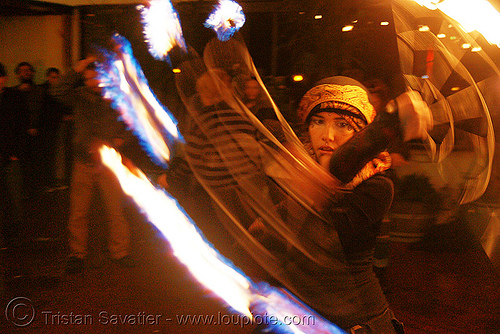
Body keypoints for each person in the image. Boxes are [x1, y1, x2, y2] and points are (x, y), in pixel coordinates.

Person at [51, 57, 134, 274]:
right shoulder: (79, 97)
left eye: (94, 77)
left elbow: (131, 121)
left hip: (109, 164)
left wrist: (121, 139)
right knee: (79, 211)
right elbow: (57, 91)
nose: (91, 82)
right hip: (83, 161)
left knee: (115, 209)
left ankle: (120, 251)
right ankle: (77, 253)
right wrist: (78, 66)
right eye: (87, 79)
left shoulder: (115, 97)